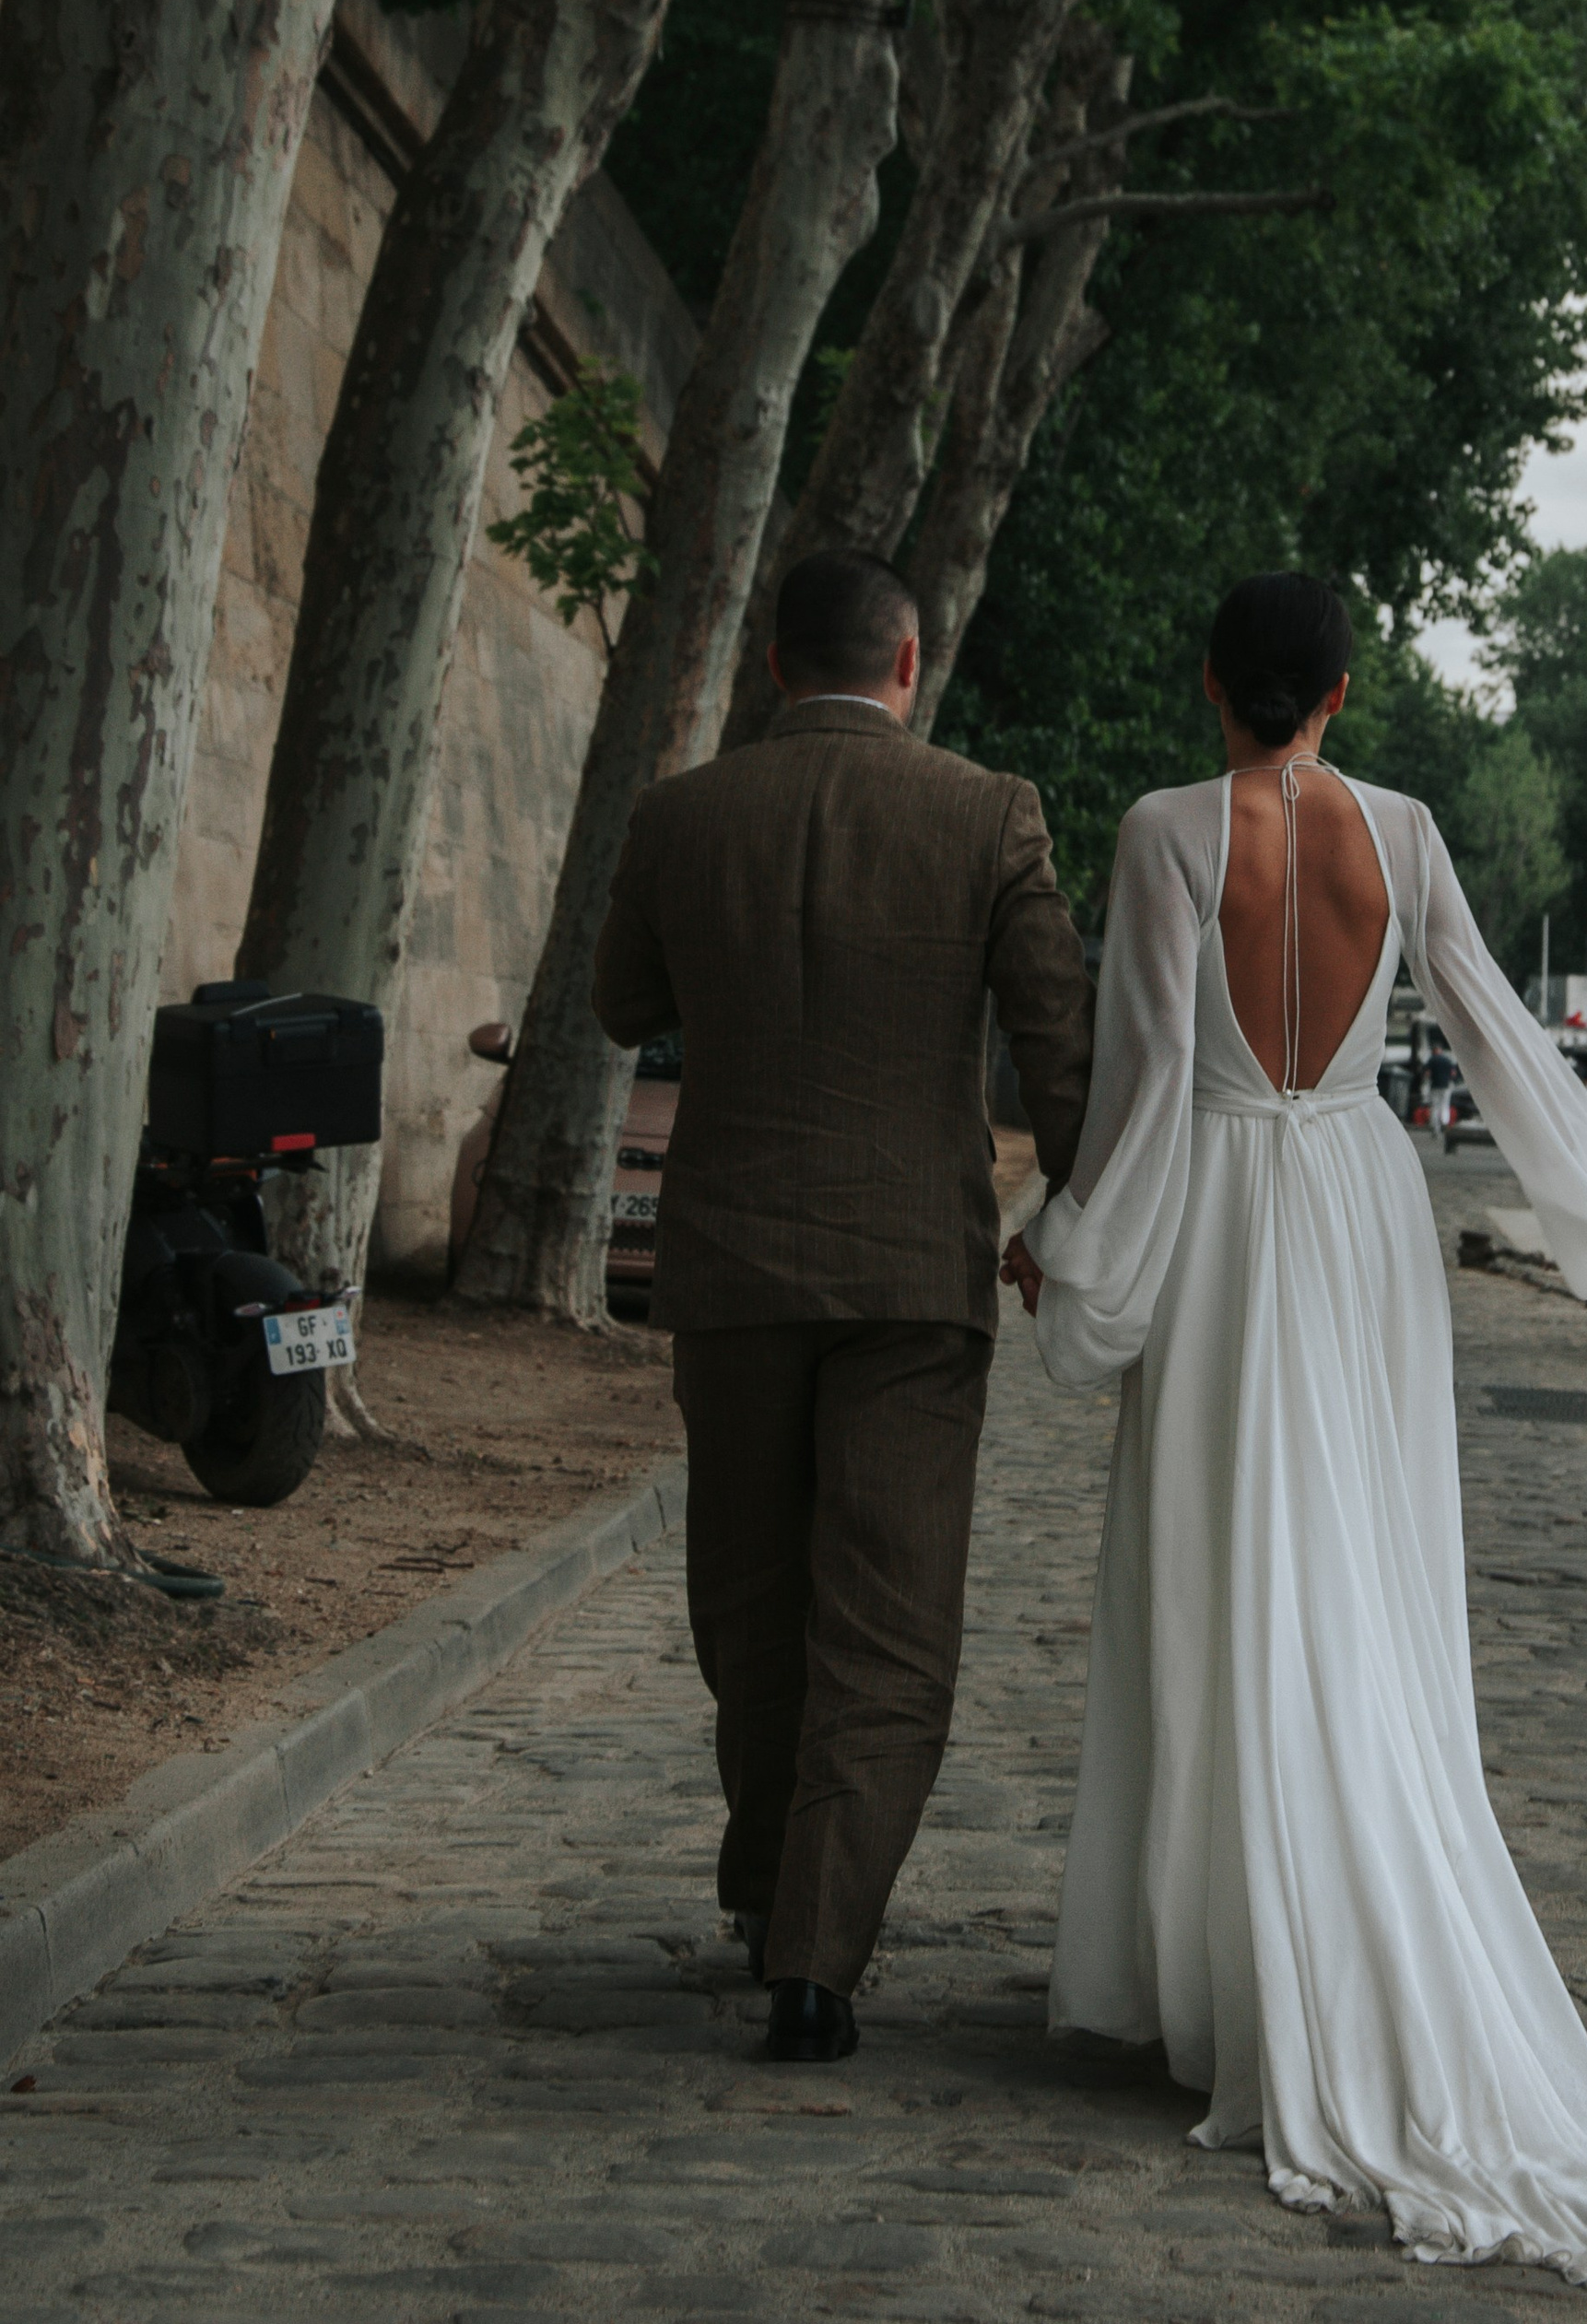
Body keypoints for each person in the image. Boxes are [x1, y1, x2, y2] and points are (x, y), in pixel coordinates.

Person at [1002, 574, 1587, 2288]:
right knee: (1355, 1563)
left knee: (1211, 1559)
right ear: (1342, 691)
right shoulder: (1403, 832)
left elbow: (1139, 1078)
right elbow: (1490, 1018)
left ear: (1212, 685)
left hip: (1220, 1212)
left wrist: (1067, 1249)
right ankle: (1317, 1926)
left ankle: (1217, 1977)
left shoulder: (1163, 832)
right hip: (1353, 1199)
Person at [593, 547, 1093, 2065]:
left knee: (752, 1609)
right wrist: (1080, 1221)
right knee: (888, 1622)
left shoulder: (681, 817)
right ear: (910, 661)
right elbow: (1057, 1050)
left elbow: (621, 1002)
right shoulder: (988, 812)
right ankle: (818, 1956)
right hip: (909, 1280)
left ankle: (764, 1893)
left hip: (734, 1271)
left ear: (767, 666)